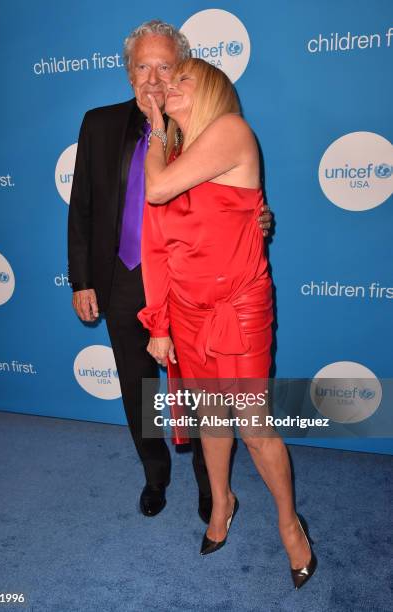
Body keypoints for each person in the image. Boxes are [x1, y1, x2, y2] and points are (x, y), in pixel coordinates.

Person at [67, 20, 272, 522]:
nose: (154, 79)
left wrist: (255, 217)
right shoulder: (97, 124)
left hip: (183, 284)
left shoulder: (195, 129)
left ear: (181, 73)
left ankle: (212, 487)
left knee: (199, 391)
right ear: (128, 73)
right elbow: (82, 208)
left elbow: (228, 197)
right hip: (118, 279)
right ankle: (155, 475)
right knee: (138, 387)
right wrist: (81, 279)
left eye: (165, 67)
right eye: (143, 66)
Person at [138, 58, 316, 589]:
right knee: (212, 418)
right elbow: (161, 248)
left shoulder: (230, 131)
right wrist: (161, 322)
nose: (168, 86)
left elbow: (158, 190)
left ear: (212, 91)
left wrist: (153, 131)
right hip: (189, 312)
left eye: (181, 80)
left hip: (237, 306)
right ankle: (222, 505)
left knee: (255, 428)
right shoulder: (178, 151)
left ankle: (290, 525)